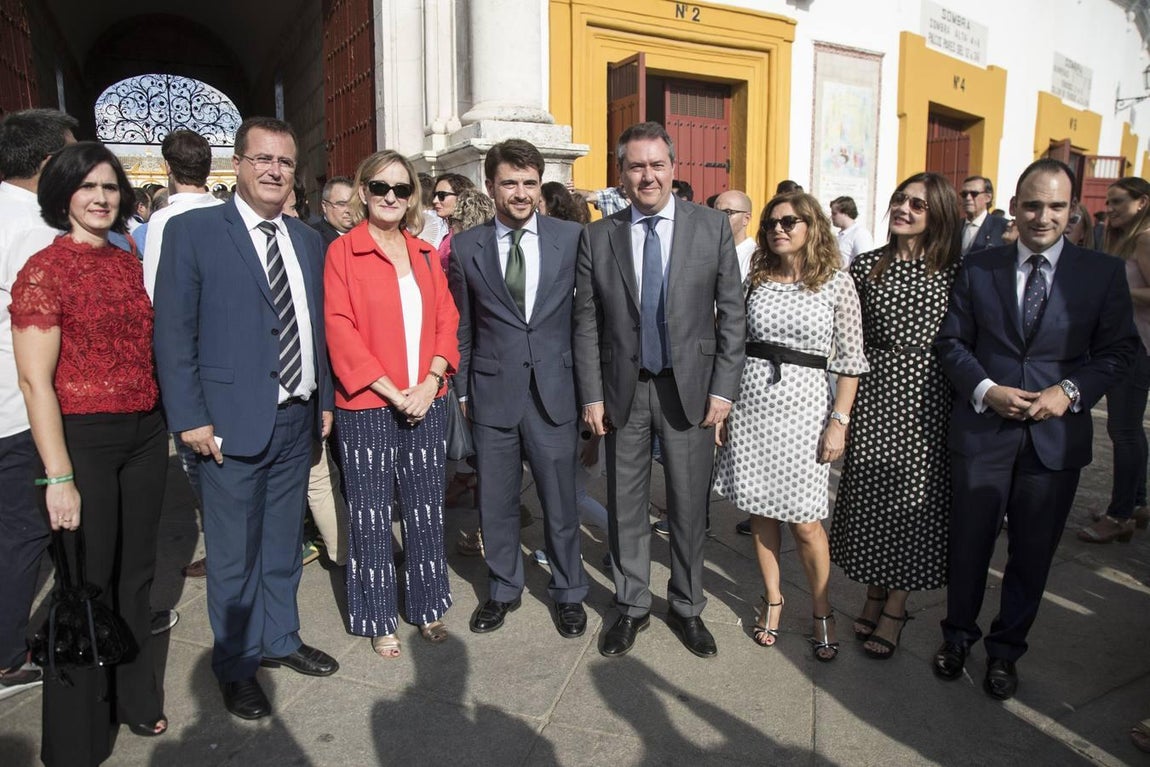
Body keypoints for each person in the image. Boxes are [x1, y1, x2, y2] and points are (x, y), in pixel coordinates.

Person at [153, 116, 338, 721]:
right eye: (262, 159)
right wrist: (190, 418)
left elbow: (317, 330)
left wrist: (327, 402)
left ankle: (280, 640)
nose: (274, 171)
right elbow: (174, 334)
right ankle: (235, 666)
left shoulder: (309, 240)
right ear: (238, 164)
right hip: (226, 426)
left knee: (284, 544)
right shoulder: (196, 232)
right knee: (233, 554)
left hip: (297, 418)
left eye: (284, 162)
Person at [933, 158, 1139, 700]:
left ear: (1072, 210)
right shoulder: (979, 267)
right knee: (969, 547)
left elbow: (1118, 352)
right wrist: (986, 390)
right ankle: (956, 637)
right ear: (1015, 206)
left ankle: (1005, 653)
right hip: (983, 434)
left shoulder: (1101, 274)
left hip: (1054, 443)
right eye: (1031, 205)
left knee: (1030, 555)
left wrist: (1066, 393)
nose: (1041, 217)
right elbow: (951, 343)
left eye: (1054, 206)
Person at [12, 141, 169, 763]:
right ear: (63, 198)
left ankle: (133, 697)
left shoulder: (129, 263)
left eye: (110, 188)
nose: (101, 198)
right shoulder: (44, 271)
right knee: (84, 583)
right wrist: (59, 476)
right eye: (88, 188)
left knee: (137, 577)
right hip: (83, 440)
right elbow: (33, 382)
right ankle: (78, 732)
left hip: (146, 435)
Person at [574, 121, 746, 658]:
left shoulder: (711, 227)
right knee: (625, 504)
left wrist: (724, 391)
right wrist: (592, 395)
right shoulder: (599, 235)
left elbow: (732, 316)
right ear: (621, 173)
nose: (647, 175)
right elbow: (587, 321)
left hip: (690, 392)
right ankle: (631, 605)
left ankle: (688, 605)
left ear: (673, 169)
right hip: (625, 390)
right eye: (635, 166)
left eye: (656, 165)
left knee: (690, 506)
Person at [713, 192, 867, 661]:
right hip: (753, 407)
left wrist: (839, 422)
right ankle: (774, 601)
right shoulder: (755, 279)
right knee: (760, 511)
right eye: (772, 222)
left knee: (806, 522)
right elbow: (733, 343)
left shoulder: (837, 283)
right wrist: (724, 407)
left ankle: (822, 609)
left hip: (806, 412)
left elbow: (850, 361)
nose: (779, 228)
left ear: (812, 226)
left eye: (790, 221)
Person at [448, 139, 589, 637]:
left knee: (560, 501)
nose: (522, 192)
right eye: (510, 182)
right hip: (491, 394)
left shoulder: (570, 238)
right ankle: (503, 589)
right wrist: (463, 392)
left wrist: (588, 391)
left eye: (530, 182)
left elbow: (585, 319)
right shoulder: (467, 248)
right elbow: (462, 328)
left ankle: (570, 590)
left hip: (555, 391)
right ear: (491, 186)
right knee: (497, 501)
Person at [325, 150, 458, 658]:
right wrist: (389, 389)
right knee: (371, 513)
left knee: (426, 510)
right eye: (380, 187)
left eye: (401, 190)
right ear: (362, 191)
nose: (390, 198)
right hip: (367, 403)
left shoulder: (425, 253)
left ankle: (428, 607)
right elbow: (340, 328)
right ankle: (378, 615)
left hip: (426, 398)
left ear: (411, 199)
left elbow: (448, 319)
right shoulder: (342, 253)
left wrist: (430, 381)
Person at [829, 173, 962, 660]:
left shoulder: (954, 271)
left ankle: (894, 608)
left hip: (929, 398)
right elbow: (847, 339)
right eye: (900, 200)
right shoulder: (866, 267)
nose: (905, 209)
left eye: (919, 204)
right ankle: (873, 591)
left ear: (939, 215)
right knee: (871, 498)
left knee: (914, 504)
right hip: (874, 394)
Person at [0, 108, 77, 702]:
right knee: (27, 532)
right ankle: (8, 655)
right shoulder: (38, 232)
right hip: (24, 411)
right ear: (50, 163)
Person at [1079, 177, 1150, 542]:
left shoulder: (1145, 237)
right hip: (1126, 342)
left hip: (1136, 346)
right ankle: (1135, 503)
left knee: (1123, 431)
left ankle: (1120, 515)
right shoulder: (1123, 237)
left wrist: (1113, 288)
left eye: (1119, 201)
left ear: (1142, 202)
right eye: (1108, 201)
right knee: (1128, 429)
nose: (1110, 208)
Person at [960, 175, 1008, 255]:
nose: (968, 198)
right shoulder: (954, 227)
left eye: (974, 193)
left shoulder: (1002, 227)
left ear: (988, 197)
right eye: (964, 194)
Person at [432, 172, 476, 259]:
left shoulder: (473, 234)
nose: (434, 200)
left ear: (461, 196)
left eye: (442, 195)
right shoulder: (450, 232)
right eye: (434, 195)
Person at [714, 189, 755, 281]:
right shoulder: (707, 253)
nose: (719, 219)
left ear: (746, 218)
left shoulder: (755, 258)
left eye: (727, 213)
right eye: (715, 213)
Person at [830, 195, 875, 267]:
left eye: (834, 214)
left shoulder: (860, 234)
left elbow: (864, 262)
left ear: (845, 213)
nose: (831, 217)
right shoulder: (841, 235)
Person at [313, 176, 354, 250]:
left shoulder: (364, 234)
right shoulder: (313, 237)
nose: (349, 210)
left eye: (353, 204)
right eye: (341, 204)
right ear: (325, 206)